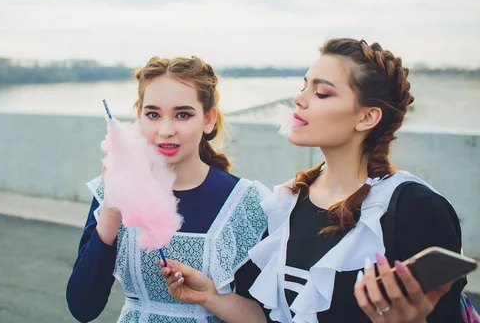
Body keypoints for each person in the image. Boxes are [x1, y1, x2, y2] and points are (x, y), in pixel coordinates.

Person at [162, 38, 467, 322]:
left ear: (366, 118)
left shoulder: (415, 208)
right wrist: (210, 296)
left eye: (321, 93)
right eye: (304, 86)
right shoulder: (289, 201)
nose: (299, 98)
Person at [66, 56, 270, 322]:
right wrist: (112, 209)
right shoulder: (114, 190)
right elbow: (83, 308)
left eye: (182, 114)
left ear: (209, 119)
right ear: (139, 118)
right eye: (153, 114)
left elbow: (265, 318)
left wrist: (211, 297)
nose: (165, 130)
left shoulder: (246, 203)